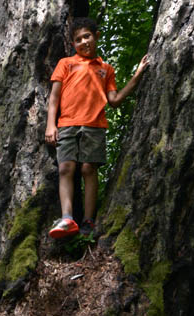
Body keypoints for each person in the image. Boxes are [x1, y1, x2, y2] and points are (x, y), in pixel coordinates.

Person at [45, 17, 149, 238]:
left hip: (94, 125)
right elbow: (54, 98)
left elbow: (115, 100)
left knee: (88, 169)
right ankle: (67, 218)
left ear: (96, 36)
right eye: (78, 39)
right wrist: (50, 125)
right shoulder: (66, 63)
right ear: (73, 44)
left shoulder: (106, 69)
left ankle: (88, 221)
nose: (83, 42)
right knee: (65, 168)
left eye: (87, 36)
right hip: (67, 124)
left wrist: (137, 75)